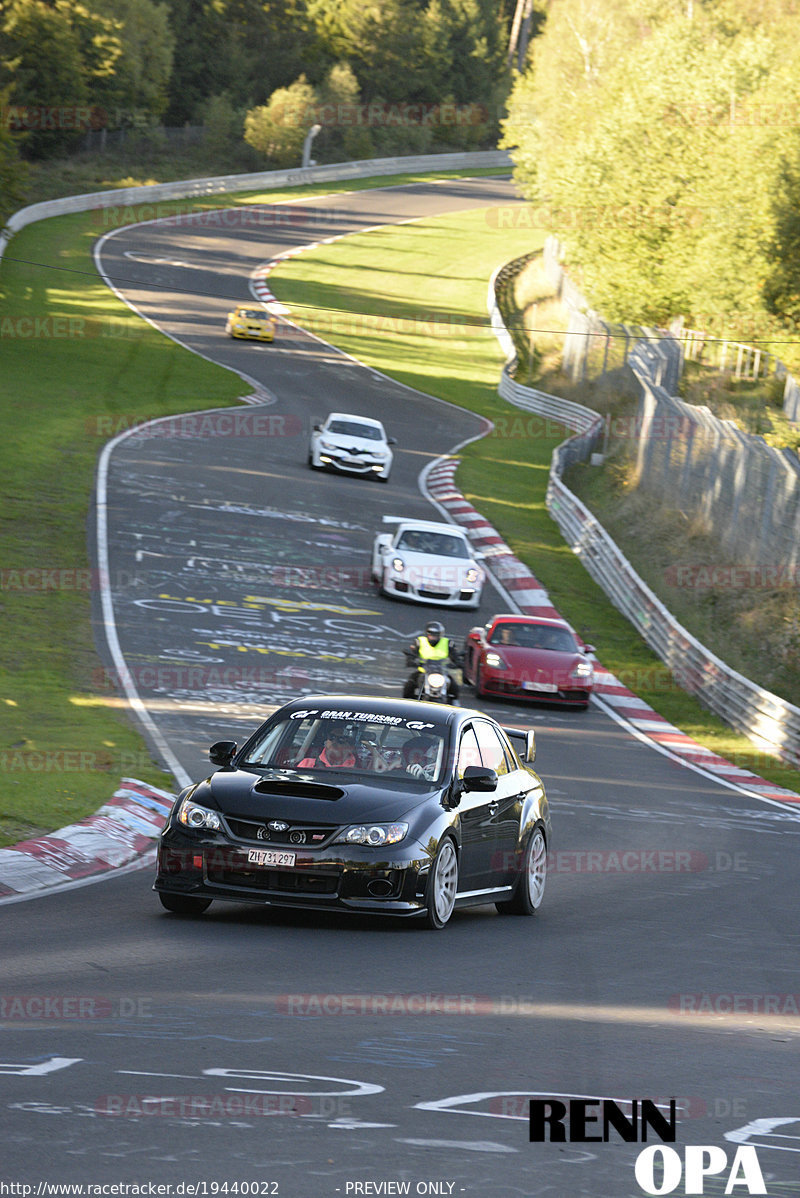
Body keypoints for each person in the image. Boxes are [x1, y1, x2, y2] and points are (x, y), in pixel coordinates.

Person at [403, 620, 461, 702]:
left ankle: (454, 706)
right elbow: (412, 653)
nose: (433, 637)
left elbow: (455, 656)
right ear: (427, 634)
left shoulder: (448, 643)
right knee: (409, 685)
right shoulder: (419, 642)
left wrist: (457, 663)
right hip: (423, 671)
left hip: (442, 672)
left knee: (455, 688)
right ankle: (406, 705)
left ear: (440, 635)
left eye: (435, 635)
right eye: (431, 635)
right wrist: (411, 660)